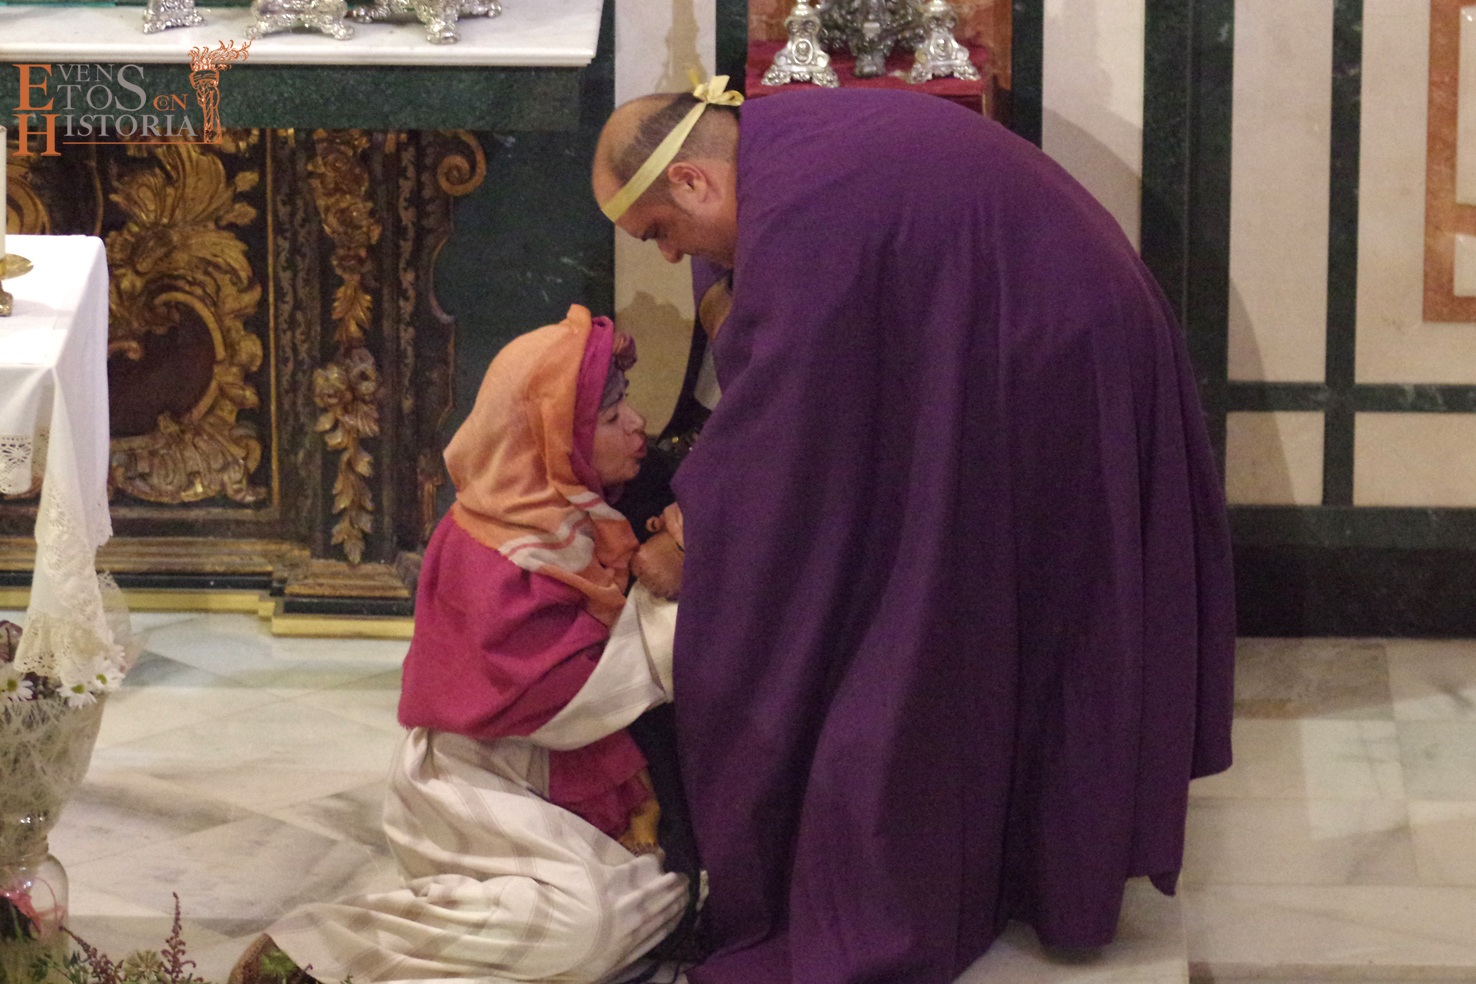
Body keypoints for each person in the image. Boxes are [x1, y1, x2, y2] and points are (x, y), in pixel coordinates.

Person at [589, 79, 1237, 984]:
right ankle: (1023, 855)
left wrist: (696, 534)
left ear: (694, 181)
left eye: (659, 230)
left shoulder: (802, 213)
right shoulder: (778, 139)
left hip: (1064, 355)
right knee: (978, 599)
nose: (668, 256)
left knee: (1039, 613)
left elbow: (790, 423)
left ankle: (1029, 864)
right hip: (1032, 328)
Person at [232, 306, 692, 984]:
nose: (637, 424)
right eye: (610, 415)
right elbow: (572, 701)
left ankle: (467, 927)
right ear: (551, 435)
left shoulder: (575, 511)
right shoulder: (491, 547)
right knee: (587, 924)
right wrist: (671, 590)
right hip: (475, 782)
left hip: (557, 775)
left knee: (667, 893)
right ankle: (322, 948)